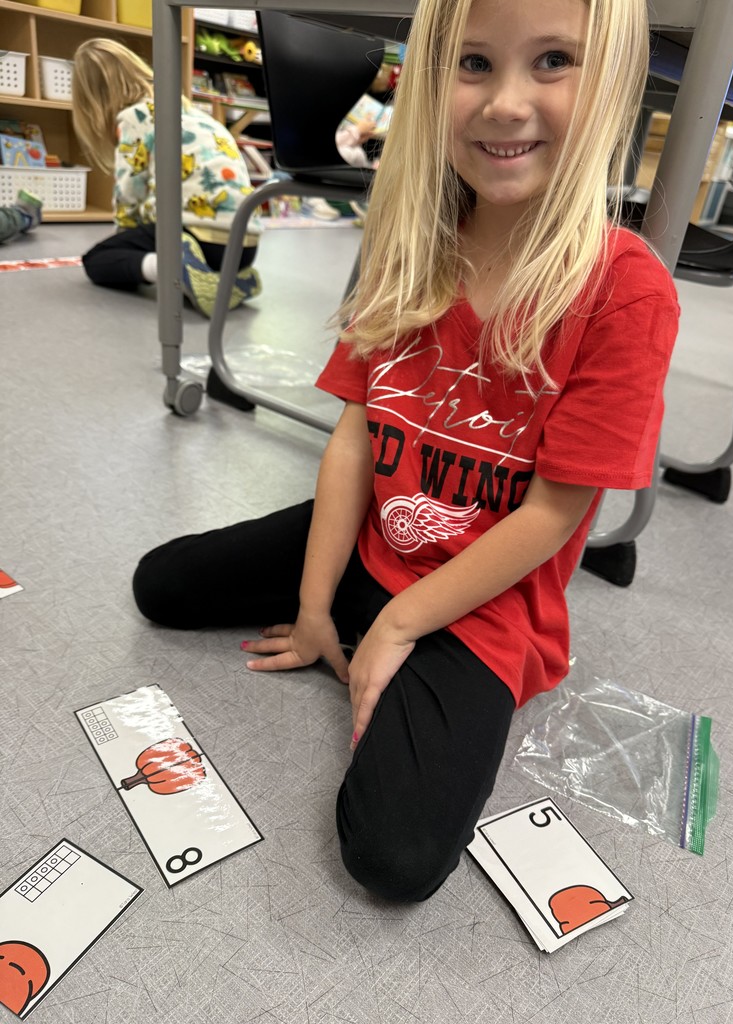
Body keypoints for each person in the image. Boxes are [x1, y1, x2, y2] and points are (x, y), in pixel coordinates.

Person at [132, 0, 679, 902]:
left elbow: (552, 514)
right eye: (472, 64)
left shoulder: (627, 291)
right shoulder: (412, 244)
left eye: (552, 62)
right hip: (380, 525)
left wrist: (398, 621)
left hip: (486, 596)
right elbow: (354, 436)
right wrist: (316, 609)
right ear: (429, 83)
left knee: (393, 857)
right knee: (162, 585)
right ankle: (342, 610)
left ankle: (371, 618)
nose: (505, 103)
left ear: (614, 82)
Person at [71, 38, 262, 318]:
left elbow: (129, 192)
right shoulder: (193, 113)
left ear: (93, 101)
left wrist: (125, 241)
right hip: (243, 249)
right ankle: (229, 281)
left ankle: (174, 268)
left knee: (97, 261)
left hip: (197, 239)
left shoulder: (133, 116)